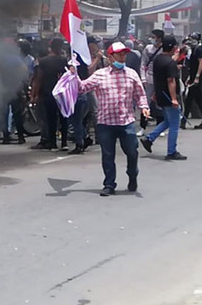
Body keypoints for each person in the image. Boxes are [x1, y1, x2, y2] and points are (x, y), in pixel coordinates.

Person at [77, 41, 150, 196]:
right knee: (108, 155)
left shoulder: (131, 74)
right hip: (105, 122)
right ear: (110, 57)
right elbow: (82, 87)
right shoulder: (100, 75)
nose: (123, 57)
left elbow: (140, 94)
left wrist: (144, 107)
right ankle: (109, 184)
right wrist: (73, 75)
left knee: (132, 152)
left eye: (124, 54)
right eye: (119, 54)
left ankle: (132, 175)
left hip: (126, 122)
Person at [140, 35, 186, 161]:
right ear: (173, 47)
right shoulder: (170, 63)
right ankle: (172, 151)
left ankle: (149, 138)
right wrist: (174, 99)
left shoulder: (159, 59)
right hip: (169, 96)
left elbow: (157, 78)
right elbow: (171, 80)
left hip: (160, 94)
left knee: (168, 121)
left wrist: (156, 92)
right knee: (174, 124)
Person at [30, 38, 68, 150]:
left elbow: (39, 79)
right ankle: (64, 142)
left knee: (51, 118)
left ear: (50, 47)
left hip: (48, 92)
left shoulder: (43, 61)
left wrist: (35, 95)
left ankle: (53, 143)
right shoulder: (64, 60)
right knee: (63, 117)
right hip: (62, 93)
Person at [182, 33, 202, 130]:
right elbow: (192, 66)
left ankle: (184, 121)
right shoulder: (193, 50)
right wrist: (190, 77)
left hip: (197, 78)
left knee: (190, 100)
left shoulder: (199, 49)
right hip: (193, 77)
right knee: (197, 100)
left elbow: (201, 62)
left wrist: (197, 77)